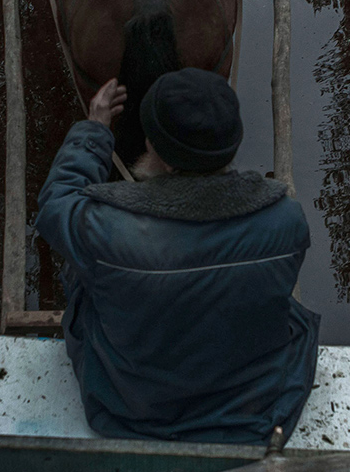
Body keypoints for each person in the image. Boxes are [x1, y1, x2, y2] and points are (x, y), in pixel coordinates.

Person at [36, 68, 320, 445]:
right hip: (255, 414)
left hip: (128, 414)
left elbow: (55, 204)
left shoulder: (104, 229)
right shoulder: (287, 221)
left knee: (81, 276)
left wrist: (95, 128)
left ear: (163, 158)